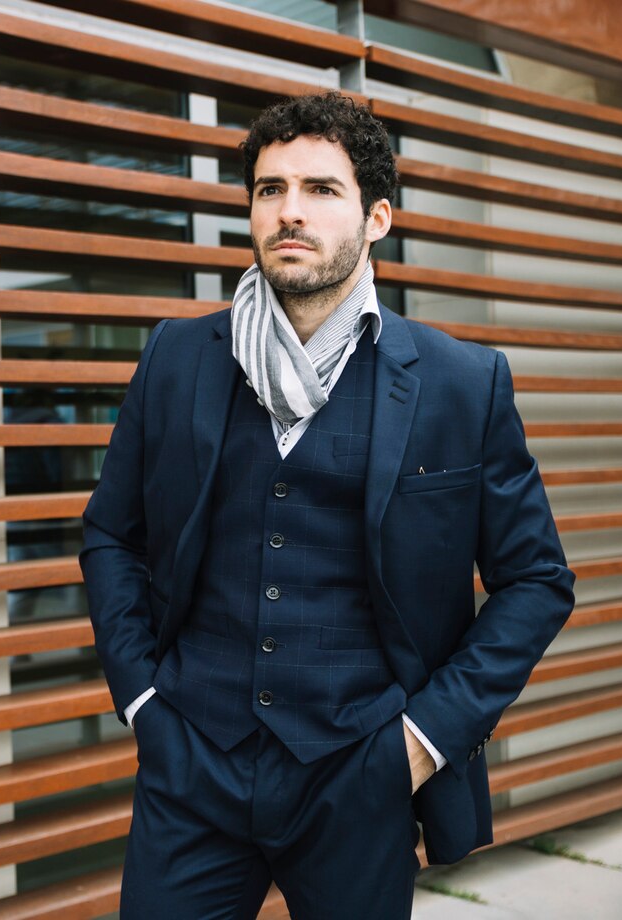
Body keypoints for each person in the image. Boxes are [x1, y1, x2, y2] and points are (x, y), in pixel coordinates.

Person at [79, 91, 576, 919]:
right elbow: (109, 536)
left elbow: (537, 583)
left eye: (320, 189)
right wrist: (143, 702)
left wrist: (419, 744)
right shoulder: (176, 359)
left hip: (362, 773)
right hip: (191, 762)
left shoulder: (461, 383)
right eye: (270, 190)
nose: (289, 213)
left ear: (378, 217)